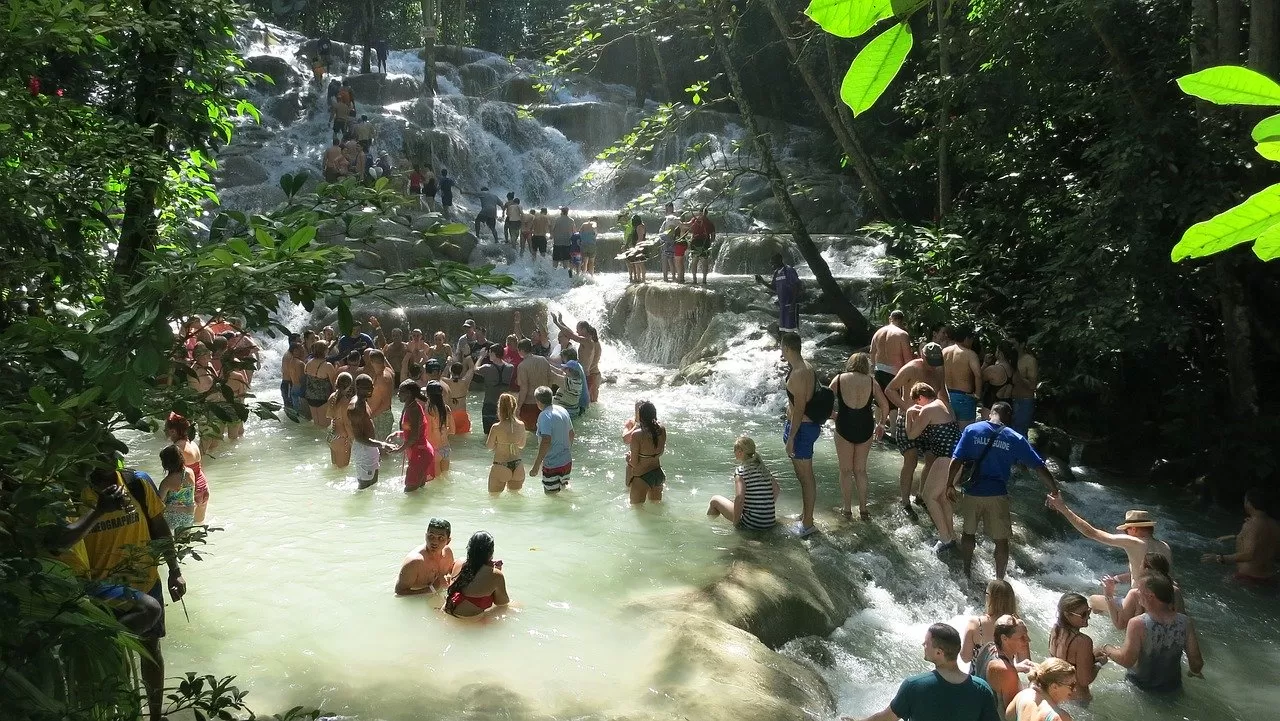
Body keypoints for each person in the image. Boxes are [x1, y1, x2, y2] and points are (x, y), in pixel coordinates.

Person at [81, 460, 187, 721]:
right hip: (102, 593)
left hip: (146, 582)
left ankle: (154, 715)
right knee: (112, 659)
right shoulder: (76, 493)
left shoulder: (137, 482)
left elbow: (159, 525)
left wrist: (175, 570)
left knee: (151, 651)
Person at [947, 402, 1061, 579]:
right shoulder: (1014, 437)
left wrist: (948, 484)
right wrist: (1054, 490)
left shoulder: (972, 430)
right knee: (1001, 541)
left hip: (972, 492)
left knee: (968, 533)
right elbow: (1039, 466)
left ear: (990, 413)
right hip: (997, 494)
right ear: (1008, 416)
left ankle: (966, 572)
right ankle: (999, 580)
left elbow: (956, 460)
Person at [844, 623, 1000, 721]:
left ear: (939, 652)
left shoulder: (914, 686)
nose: (923, 644)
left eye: (927, 643)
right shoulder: (982, 689)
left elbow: (887, 718)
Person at [1043, 496, 1172, 613]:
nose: (1126, 534)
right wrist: (1116, 579)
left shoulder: (1135, 542)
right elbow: (1151, 573)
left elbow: (1092, 533)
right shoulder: (1164, 546)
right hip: (1166, 601)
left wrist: (1064, 509)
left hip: (1140, 602)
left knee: (1093, 600)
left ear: (1133, 529)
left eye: (1127, 530)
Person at [1099, 572, 1204, 691]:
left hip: (1139, 689)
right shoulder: (1185, 622)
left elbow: (1126, 660)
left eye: (1139, 589)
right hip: (1172, 689)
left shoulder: (1137, 623)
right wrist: (1194, 672)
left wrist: (1106, 648)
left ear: (1150, 596)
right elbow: (1196, 662)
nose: (1137, 592)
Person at [885, 342, 948, 515]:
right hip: (908, 418)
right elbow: (890, 389)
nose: (933, 366)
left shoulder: (939, 369)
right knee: (911, 460)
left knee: (932, 458)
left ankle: (921, 495)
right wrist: (907, 408)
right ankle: (905, 502)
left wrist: (948, 414)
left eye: (936, 362)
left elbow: (942, 392)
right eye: (931, 362)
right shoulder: (911, 368)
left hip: (929, 420)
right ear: (922, 355)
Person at [829, 352, 890, 520]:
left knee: (845, 470)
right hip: (865, 425)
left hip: (844, 424)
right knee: (861, 470)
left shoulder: (840, 379)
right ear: (866, 366)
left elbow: (825, 399)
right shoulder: (871, 382)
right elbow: (884, 405)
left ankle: (847, 509)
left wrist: (833, 414)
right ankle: (863, 509)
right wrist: (882, 424)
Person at [905, 382, 962, 551]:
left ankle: (945, 539)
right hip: (958, 459)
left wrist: (909, 414)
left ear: (921, 398)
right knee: (943, 498)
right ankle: (950, 535)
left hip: (945, 459)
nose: (917, 407)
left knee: (929, 497)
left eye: (917, 402)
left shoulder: (928, 409)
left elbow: (911, 435)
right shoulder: (944, 404)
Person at [781, 330, 828, 536]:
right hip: (803, 428)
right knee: (803, 476)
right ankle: (805, 515)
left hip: (802, 429)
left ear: (788, 348)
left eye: (782, 347)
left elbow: (799, 409)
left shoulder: (799, 373)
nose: (781, 351)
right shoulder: (806, 366)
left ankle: (808, 524)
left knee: (806, 477)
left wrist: (791, 437)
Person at [1201, 486, 1278, 585]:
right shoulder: (1276, 525)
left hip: (1246, 577)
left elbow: (1248, 555)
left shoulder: (1251, 525)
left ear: (1249, 503)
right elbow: (1262, 543)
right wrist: (1235, 536)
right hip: (1269, 578)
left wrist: (1218, 558)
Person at [707, 436, 779, 530]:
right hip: (769, 522)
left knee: (714, 500)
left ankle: (708, 526)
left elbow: (740, 498)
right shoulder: (763, 469)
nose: (734, 453)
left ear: (740, 452)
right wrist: (763, 507)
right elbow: (777, 490)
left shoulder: (741, 471)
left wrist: (736, 524)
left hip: (751, 523)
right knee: (733, 502)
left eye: (734, 450)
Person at [1101, 552, 1184, 630]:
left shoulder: (1136, 594)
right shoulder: (1175, 591)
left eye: (1141, 564)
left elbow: (1120, 625)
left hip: (1140, 638)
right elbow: (1181, 624)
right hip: (1168, 640)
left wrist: (1108, 595)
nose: (1139, 567)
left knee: (1093, 600)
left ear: (1146, 570)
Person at [1048, 592, 1105, 701]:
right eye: (1083, 614)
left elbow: (1063, 664)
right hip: (1077, 699)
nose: (1088, 616)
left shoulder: (1055, 630)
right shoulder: (1083, 641)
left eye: (1088, 611)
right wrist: (1099, 664)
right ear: (1067, 615)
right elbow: (1084, 680)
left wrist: (1092, 658)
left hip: (1055, 695)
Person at [443, 531, 510, 618]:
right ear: (491, 552)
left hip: (446, 612)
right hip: (469, 621)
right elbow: (502, 603)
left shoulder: (459, 562)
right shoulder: (495, 575)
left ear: (469, 548)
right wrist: (497, 573)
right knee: (512, 606)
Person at [971, 615, 1028, 714]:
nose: (1027, 640)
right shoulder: (1006, 672)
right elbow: (1012, 714)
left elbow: (994, 674)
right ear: (1004, 638)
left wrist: (1017, 668)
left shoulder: (988, 647)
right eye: (1022, 637)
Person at [349, 374, 395, 489]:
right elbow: (359, 437)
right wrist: (382, 444)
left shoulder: (363, 401)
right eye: (367, 387)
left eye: (371, 386)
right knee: (365, 487)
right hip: (364, 449)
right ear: (358, 387)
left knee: (373, 485)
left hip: (370, 447)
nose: (371, 389)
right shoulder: (355, 408)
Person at [960, 579, 1019, 663]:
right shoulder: (1017, 626)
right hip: (1006, 674)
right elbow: (1023, 660)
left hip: (978, 675)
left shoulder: (976, 623)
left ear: (990, 598)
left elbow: (965, 658)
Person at [396, 380, 438, 491]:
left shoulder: (413, 410)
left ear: (409, 394)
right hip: (420, 452)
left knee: (409, 492)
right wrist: (397, 434)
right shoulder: (410, 406)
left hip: (420, 453)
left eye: (401, 392)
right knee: (418, 493)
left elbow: (414, 436)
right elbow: (413, 431)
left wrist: (399, 449)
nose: (398, 394)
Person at [530, 386, 574, 493]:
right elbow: (572, 434)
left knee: (551, 496)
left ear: (538, 401)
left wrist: (536, 466)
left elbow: (546, 441)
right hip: (567, 461)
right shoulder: (562, 410)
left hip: (552, 464)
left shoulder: (544, 416)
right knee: (564, 490)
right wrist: (566, 451)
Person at [516, 338, 565, 431]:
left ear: (521, 350)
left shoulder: (522, 366)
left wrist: (518, 407)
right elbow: (550, 378)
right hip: (545, 403)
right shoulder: (543, 360)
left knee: (529, 433)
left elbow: (524, 389)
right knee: (544, 432)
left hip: (529, 404)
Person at [623, 399, 666, 504]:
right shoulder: (662, 429)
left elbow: (634, 463)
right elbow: (661, 452)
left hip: (642, 477)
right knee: (656, 509)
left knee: (636, 512)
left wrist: (628, 458)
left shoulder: (637, 435)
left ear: (640, 416)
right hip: (658, 474)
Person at [1005, 659, 1077, 721]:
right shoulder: (1060, 717)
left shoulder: (1023, 695)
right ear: (1054, 687)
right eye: (1072, 685)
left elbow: (1008, 717)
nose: (1075, 690)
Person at [396, 518, 454, 595]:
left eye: (441, 538)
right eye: (431, 536)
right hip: (416, 600)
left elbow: (451, 573)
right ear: (425, 536)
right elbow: (399, 593)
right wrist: (432, 589)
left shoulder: (448, 553)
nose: (434, 542)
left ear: (448, 541)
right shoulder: (414, 562)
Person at [552, 313, 601, 403]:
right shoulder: (588, 340)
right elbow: (571, 333)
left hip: (585, 376)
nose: (577, 332)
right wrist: (561, 322)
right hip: (584, 374)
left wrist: (556, 323)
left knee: (581, 403)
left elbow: (571, 335)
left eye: (578, 330)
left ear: (584, 329)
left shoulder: (587, 341)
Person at [486, 393, 527, 492]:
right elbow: (521, 445)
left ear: (500, 408)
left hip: (501, 465)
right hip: (518, 465)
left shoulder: (496, 427)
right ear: (514, 407)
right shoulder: (521, 425)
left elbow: (489, 446)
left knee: (493, 499)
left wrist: (498, 444)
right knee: (515, 500)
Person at [943, 328, 983, 426]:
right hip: (964, 397)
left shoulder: (944, 351)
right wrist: (977, 395)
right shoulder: (970, 354)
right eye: (971, 339)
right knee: (965, 431)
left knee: (949, 429)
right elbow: (978, 375)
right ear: (966, 339)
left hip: (947, 395)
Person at [754, 253, 801, 333]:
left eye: (773, 263)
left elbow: (797, 286)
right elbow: (774, 288)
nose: (772, 265)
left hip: (790, 304)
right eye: (771, 263)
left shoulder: (789, 270)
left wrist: (793, 303)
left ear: (780, 261)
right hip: (782, 306)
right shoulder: (776, 273)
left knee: (792, 330)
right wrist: (762, 282)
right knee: (783, 329)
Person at [476, 345, 516, 435]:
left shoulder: (486, 368)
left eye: (490, 353)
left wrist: (481, 357)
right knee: (503, 433)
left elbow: (475, 369)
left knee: (488, 434)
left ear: (494, 353)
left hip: (489, 405)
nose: (489, 355)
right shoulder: (510, 368)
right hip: (504, 405)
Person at [157, 445, 195, 533]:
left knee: (169, 543)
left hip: (172, 517)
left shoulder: (167, 482)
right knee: (183, 543)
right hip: (188, 515)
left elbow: (158, 503)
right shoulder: (190, 472)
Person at [424, 380, 454, 475]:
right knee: (444, 480)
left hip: (434, 449)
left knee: (436, 482)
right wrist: (443, 432)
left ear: (429, 395)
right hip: (446, 449)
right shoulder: (446, 408)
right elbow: (453, 431)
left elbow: (428, 432)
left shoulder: (429, 410)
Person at [304, 341, 337, 428]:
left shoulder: (308, 363)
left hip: (310, 397)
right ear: (324, 351)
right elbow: (334, 384)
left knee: (316, 424)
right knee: (325, 426)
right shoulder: (328, 366)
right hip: (323, 398)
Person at [326, 372, 355, 468]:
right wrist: (352, 438)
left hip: (331, 435)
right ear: (349, 386)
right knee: (343, 469)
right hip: (342, 438)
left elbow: (329, 415)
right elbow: (346, 424)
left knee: (335, 468)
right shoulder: (345, 402)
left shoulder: (332, 397)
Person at [1010, 339, 1039, 434]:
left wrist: (1020, 376)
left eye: (1013, 343)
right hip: (1008, 400)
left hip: (1023, 401)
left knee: (1019, 433)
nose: (1011, 346)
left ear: (1022, 344)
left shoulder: (1030, 361)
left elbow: (1032, 385)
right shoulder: (1007, 358)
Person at [687, 206, 715, 285]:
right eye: (699, 214)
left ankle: (700, 280)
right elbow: (713, 237)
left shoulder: (706, 222)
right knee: (698, 261)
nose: (700, 215)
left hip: (700, 242)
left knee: (699, 261)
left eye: (701, 213)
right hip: (700, 242)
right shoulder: (696, 221)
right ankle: (699, 280)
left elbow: (713, 235)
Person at [555, 346, 587, 414]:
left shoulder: (573, 370)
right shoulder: (577, 366)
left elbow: (560, 372)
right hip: (581, 401)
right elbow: (561, 371)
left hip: (580, 402)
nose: (563, 361)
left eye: (564, 360)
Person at [447, 360, 474, 434]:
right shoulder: (465, 382)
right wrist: (467, 355)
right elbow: (472, 368)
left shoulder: (446, 382)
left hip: (451, 415)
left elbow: (440, 376)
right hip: (462, 415)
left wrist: (448, 365)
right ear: (462, 372)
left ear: (451, 371)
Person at [658, 202, 682, 282]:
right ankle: (667, 277)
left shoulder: (673, 217)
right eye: (666, 208)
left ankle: (672, 277)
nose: (666, 210)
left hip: (670, 240)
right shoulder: (670, 217)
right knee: (667, 259)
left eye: (667, 208)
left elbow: (674, 228)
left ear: (671, 208)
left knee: (669, 260)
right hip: (666, 239)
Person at [551, 206, 576, 273]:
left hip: (557, 242)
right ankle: (565, 275)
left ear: (561, 212)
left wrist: (552, 236)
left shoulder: (556, 219)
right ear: (567, 212)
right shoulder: (571, 220)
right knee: (566, 260)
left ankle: (553, 273)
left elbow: (552, 230)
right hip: (567, 243)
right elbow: (574, 232)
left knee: (555, 260)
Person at [624, 214, 648, 283]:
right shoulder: (641, 226)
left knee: (640, 263)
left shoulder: (639, 227)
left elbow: (640, 238)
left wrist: (636, 247)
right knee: (637, 263)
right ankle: (638, 278)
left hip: (639, 247)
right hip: (641, 246)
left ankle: (642, 279)